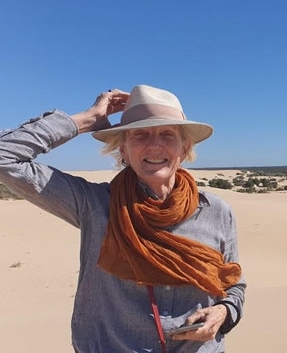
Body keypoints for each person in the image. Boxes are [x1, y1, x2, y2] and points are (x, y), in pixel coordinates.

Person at [0, 85, 246, 353]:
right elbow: (5, 157)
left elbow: (232, 284)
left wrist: (223, 312)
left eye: (167, 134)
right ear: (124, 151)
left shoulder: (217, 211)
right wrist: (84, 120)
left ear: (184, 148)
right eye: (140, 135)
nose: (154, 145)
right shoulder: (93, 205)